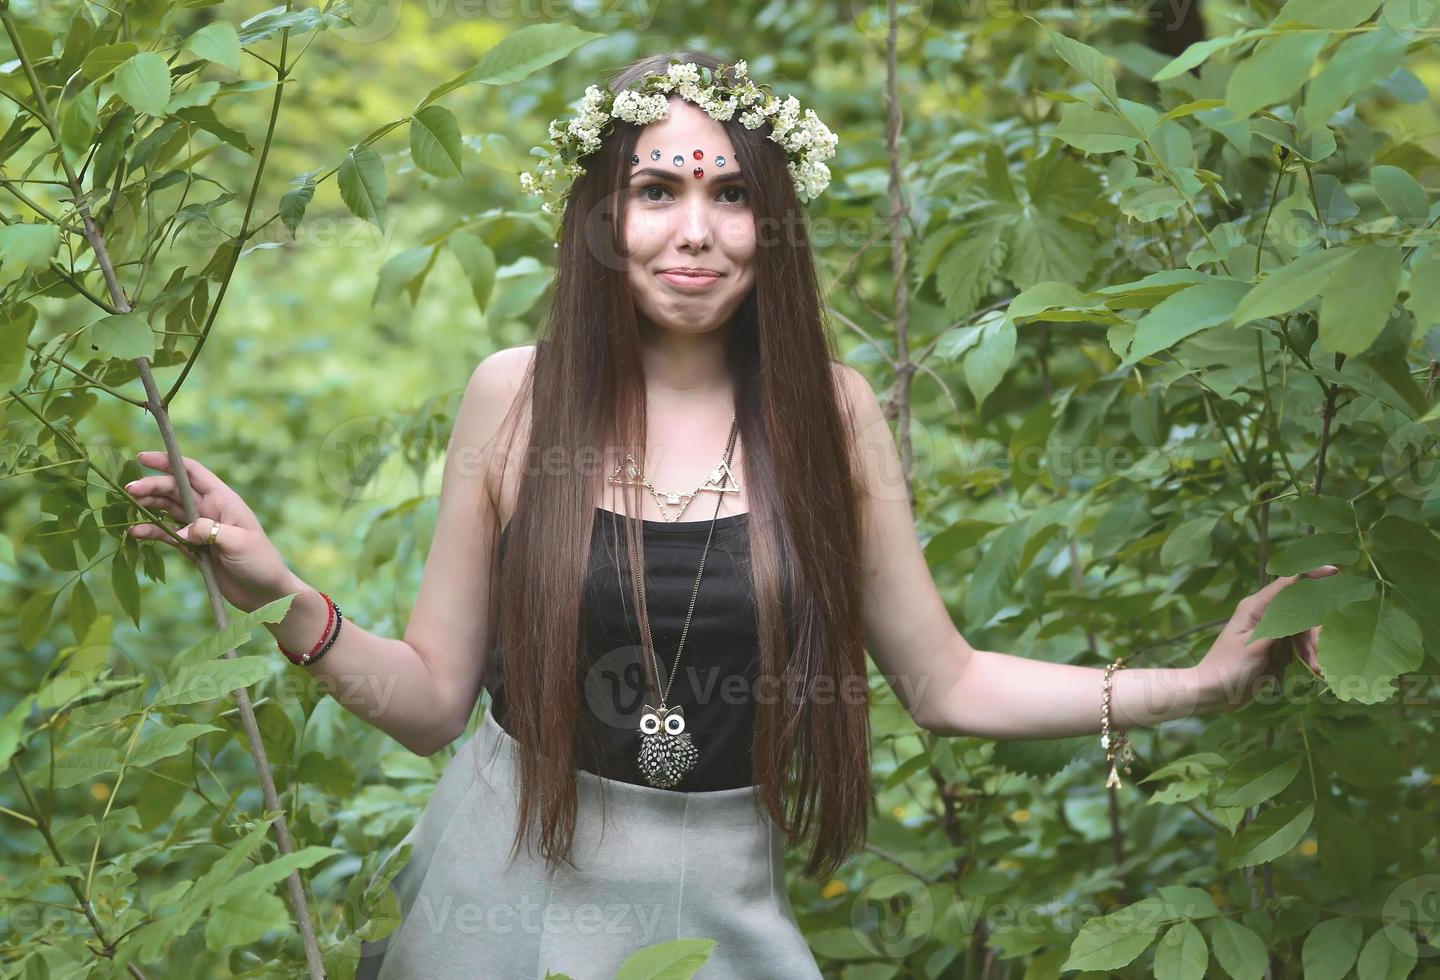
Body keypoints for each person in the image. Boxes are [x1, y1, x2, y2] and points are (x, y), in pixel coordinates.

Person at [123, 50, 1335, 979]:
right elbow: (433, 700)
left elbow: (947, 681)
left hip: (720, 892)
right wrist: (281, 594)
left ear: (775, 223)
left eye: (731, 196)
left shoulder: (834, 416)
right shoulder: (517, 396)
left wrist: (1196, 681)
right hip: (507, 881)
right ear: (605, 215)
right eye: (656, 189)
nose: (694, 230)